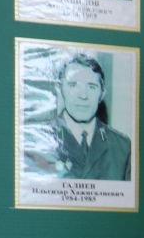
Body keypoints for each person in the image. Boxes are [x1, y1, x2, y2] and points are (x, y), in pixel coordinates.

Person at [49, 53, 131, 181]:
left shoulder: (122, 147)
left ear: (102, 93)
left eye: (92, 87)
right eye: (73, 85)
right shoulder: (40, 140)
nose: (83, 95)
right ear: (60, 89)